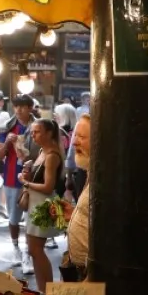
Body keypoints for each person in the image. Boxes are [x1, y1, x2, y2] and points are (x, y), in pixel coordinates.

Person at [21, 118, 64, 293]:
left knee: (36, 249)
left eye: (37, 131)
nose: (33, 135)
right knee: (33, 249)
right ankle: (43, 291)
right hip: (36, 204)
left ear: (49, 133)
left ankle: (47, 292)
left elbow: (48, 187)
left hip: (44, 206)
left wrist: (25, 182)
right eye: (32, 132)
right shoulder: (42, 151)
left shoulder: (52, 155)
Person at [0, 94, 37, 271]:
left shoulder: (39, 127)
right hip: (12, 178)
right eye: (16, 106)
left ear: (30, 108)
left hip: (33, 179)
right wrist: (6, 143)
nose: (19, 110)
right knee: (13, 217)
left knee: (30, 220)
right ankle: (15, 248)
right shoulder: (7, 127)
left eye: (22, 106)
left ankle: (28, 254)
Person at [62, 114, 91, 281]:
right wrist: (74, 214)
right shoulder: (90, 171)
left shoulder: (108, 180)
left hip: (91, 277)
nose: (74, 142)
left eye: (81, 137)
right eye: (75, 136)